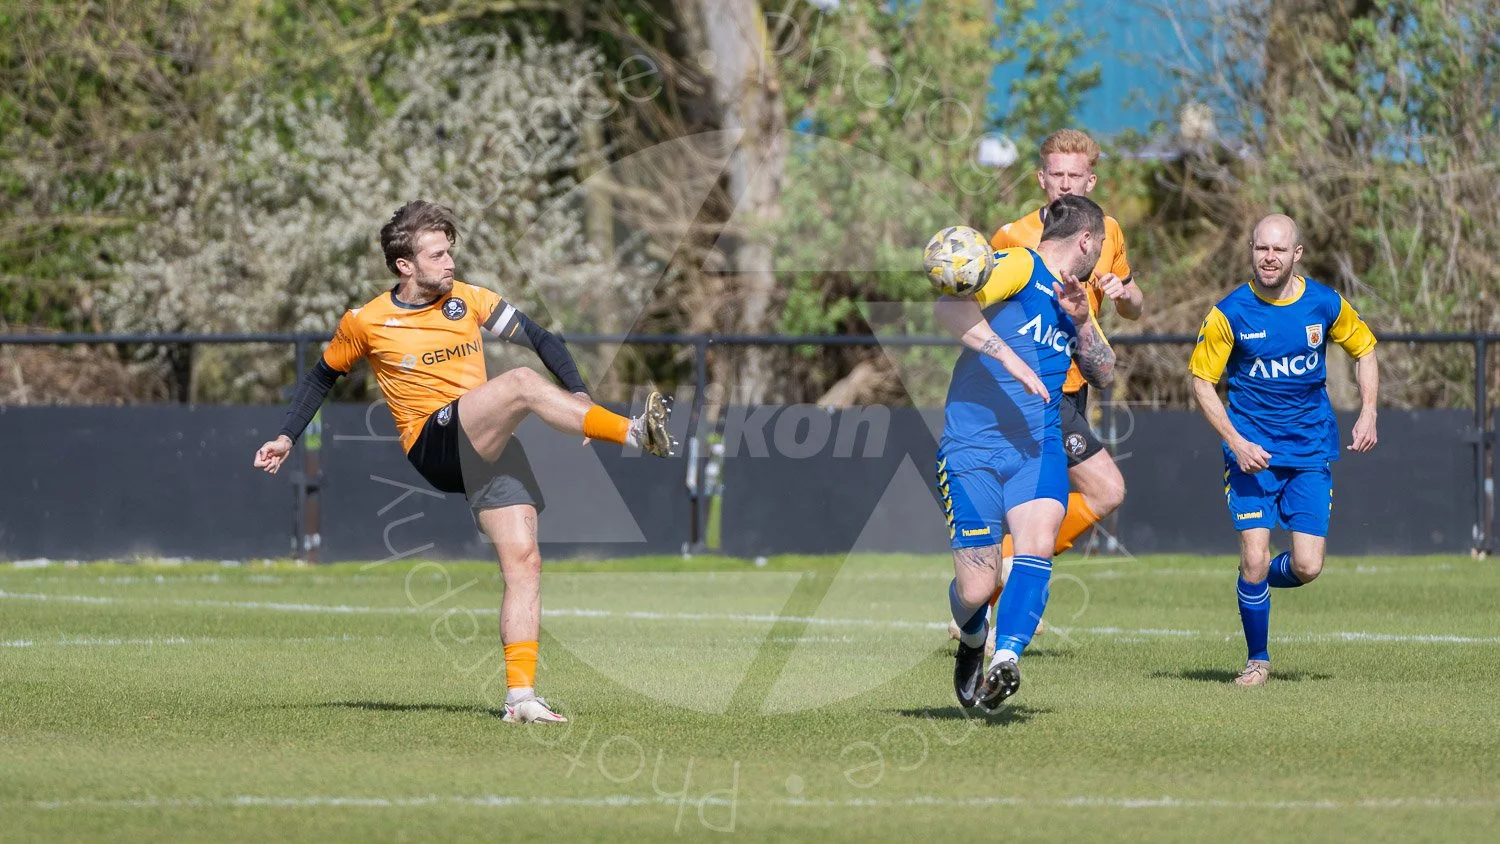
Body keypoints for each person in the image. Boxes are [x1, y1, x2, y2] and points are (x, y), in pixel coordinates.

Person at [253, 200, 674, 722]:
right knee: (519, 383)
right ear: (405, 266)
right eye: (436, 254)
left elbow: (541, 337)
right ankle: (635, 433)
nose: (449, 262)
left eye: (450, 251)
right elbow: (321, 376)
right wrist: (288, 436)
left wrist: (578, 394)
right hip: (434, 443)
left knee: (525, 564)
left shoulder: (468, 300)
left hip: (484, 442)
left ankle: (520, 700)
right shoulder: (367, 321)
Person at [947, 129, 1144, 647]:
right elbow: (968, 297)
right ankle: (1002, 577)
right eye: (1055, 175)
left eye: (1073, 176)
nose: (1063, 183)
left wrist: (1123, 294)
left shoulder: (1105, 231)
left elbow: (1135, 302)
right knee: (1106, 488)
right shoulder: (1015, 237)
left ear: (1091, 179)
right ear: (1041, 178)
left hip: (1075, 383)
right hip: (1032, 392)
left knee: (1090, 496)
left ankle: (997, 581)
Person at [936, 194, 1117, 710]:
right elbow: (949, 306)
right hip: (971, 448)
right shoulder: (1019, 264)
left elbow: (1104, 374)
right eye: (1099, 245)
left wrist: (1082, 321)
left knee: (1036, 545)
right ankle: (974, 641)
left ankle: (1005, 661)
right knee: (976, 588)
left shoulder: (1074, 295)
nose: (1099, 255)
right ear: (1086, 240)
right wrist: (1010, 359)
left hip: (1038, 447)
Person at [1188, 213, 1378, 686]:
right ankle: (1258, 659)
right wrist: (1235, 440)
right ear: (1251, 251)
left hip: (1311, 451)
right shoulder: (1229, 313)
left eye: (1278, 249)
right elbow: (1202, 381)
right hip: (1251, 454)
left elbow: (1365, 349)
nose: (1268, 258)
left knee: (1308, 566)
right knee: (1254, 556)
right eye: (1260, 249)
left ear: (1296, 254)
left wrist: (1369, 410)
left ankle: (1251, 582)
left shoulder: (1324, 303)